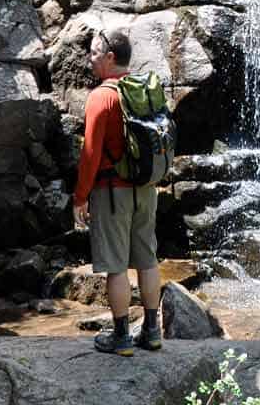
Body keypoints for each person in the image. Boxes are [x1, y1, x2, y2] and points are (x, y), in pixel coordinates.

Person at [74, 29, 162, 355]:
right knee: (147, 260)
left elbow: (90, 154)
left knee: (116, 266)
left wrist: (80, 197)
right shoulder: (141, 90)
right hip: (146, 187)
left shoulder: (102, 96)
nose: (90, 59)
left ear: (110, 57)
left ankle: (122, 336)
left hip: (113, 191)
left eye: (94, 54)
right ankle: (153, 332)